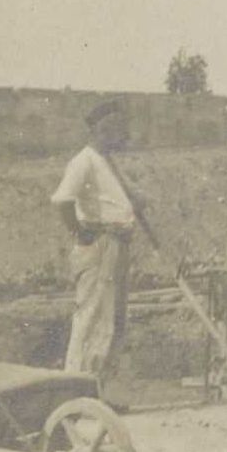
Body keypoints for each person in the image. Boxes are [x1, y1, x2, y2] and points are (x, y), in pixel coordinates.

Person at [50, 100, 139, 380]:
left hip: (118, 245)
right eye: (117, 128)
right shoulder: (83, 161)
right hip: (100, 245)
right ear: (103, 128)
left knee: (113, 319)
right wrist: (79, 232)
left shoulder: (107, 161)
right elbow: (63, 200)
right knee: (91, 317)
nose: (122, 134)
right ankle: (77, 385)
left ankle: (104, 389)